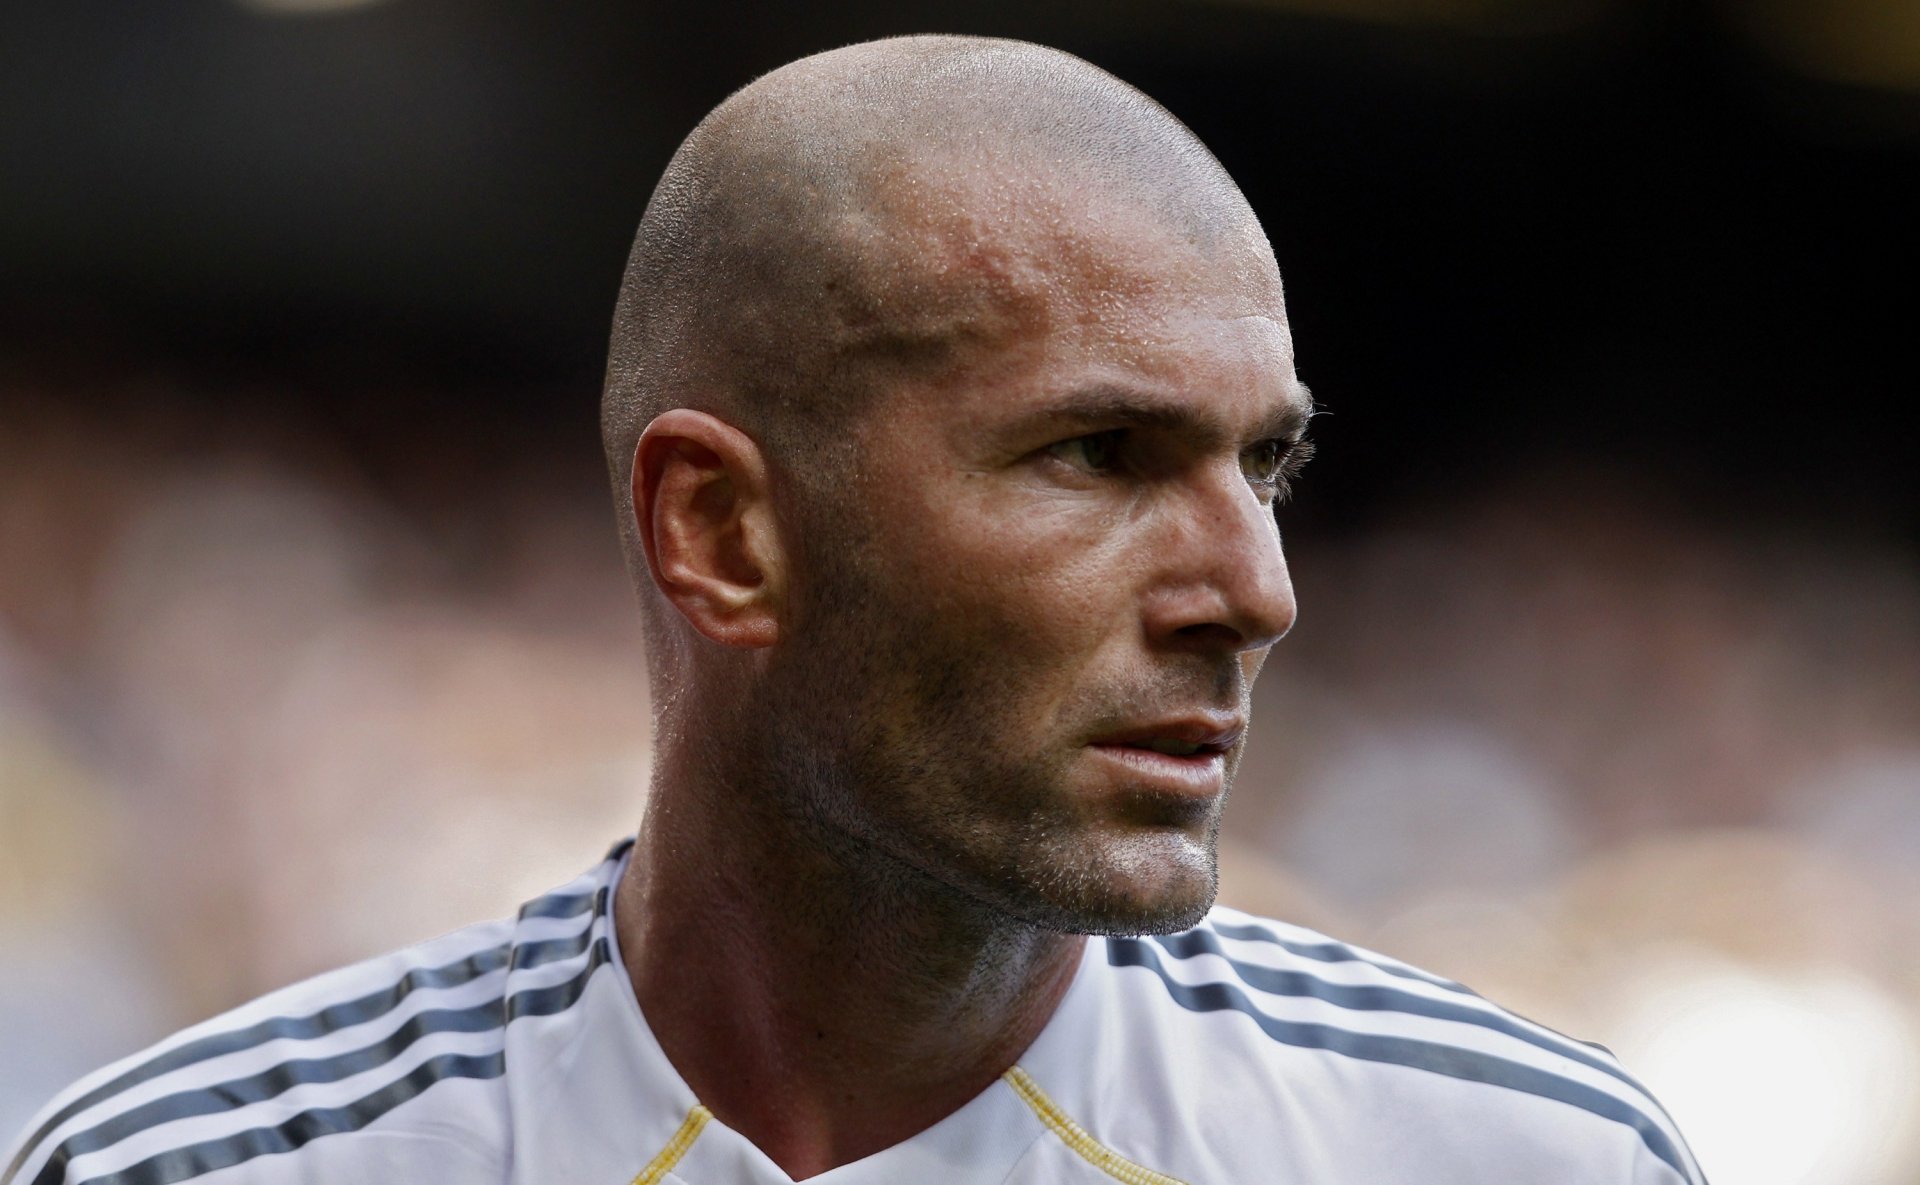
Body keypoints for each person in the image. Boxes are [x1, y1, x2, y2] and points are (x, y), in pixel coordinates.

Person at [3, 34, 1704, 1185]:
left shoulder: (1505, 1154)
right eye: (1101, 453)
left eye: (1266, 464)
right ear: (724, 532)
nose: (1256, 589)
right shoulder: (204, 1167)